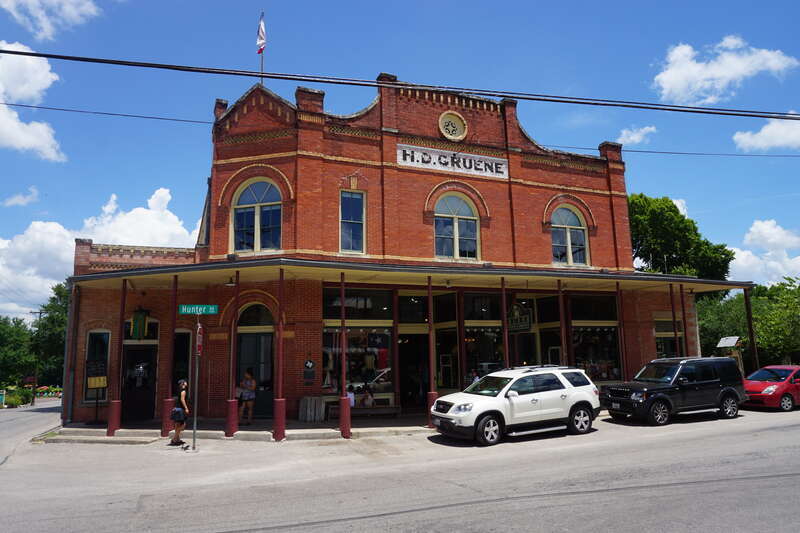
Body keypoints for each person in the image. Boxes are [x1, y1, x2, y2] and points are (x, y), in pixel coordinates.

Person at [169, 379, 189, 446]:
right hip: (180, 409)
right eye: (185, 382)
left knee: (177, 425)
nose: (186, 383)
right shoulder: (183, 391)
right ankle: (174, 438)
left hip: (177, 408)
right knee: (183, 425)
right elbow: (182, 399)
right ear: (183, 383)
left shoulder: (179, 390)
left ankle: (177, 439)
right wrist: (186, 408)